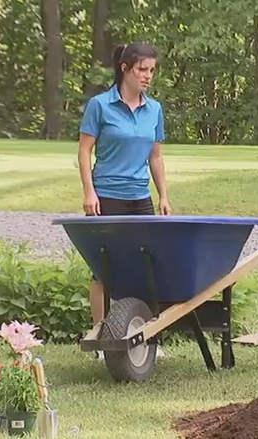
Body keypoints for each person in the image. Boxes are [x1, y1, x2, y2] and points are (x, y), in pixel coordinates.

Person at [77, 42, 171, 359]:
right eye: (143, 69)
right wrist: (89, 192)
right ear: (125, 69)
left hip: (139, 197)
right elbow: (84, 150)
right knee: (104, 269)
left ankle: (145, 337)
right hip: (106, 196)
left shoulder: (154, 109)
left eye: (152, 70)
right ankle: (103, 340)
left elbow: (156, 157)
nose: (148, 76)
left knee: (145, 269)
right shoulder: (100, 106)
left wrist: (164, 196)